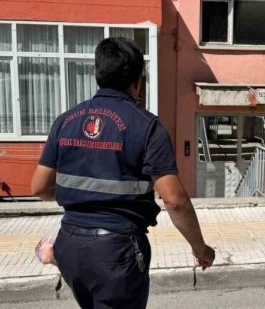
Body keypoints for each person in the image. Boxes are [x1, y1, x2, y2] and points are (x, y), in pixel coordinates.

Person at [30, 37, 215, 308]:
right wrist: (200, 248)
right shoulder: (147, 126)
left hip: (70, 245)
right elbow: (174, 200)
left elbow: (39, 187)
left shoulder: (65, 121)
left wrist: (81, 196)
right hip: (116, 252)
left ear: (96, 74)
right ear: (138, 81)